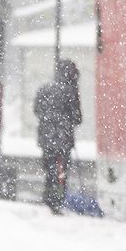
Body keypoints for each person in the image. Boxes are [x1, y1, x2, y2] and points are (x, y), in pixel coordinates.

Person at [33, 59, 83, 214]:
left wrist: (49, 121)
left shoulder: (44, 89)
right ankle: (56, 201)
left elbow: (36, 110)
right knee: (61, 172)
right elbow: (77, 118)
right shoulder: (70, 92)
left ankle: (48, 198)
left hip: (46, 138)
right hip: (63, 139)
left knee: (50, 170)